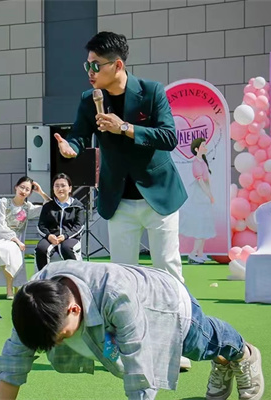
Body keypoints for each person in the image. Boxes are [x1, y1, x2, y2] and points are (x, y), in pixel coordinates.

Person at [0, 260, 265, 400]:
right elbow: (14, 363)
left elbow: (139, 369)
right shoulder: (36, 301)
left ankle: (244, 353)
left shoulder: (115, 295)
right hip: (123, 305)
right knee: (205, 348)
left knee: (201, 343)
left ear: (73, 310)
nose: (59, 344)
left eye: (61, 337)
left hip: (166, 303)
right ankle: (223, 362)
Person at [53, 31, 187, 282]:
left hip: (158, 194)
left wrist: (125, 127)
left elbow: (169, 138)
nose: (90, 72)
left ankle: (181, 309)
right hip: (118, 198)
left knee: (166, 267)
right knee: (122, 273)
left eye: (96, 65)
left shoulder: (151, 91)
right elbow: (79, 135)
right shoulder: (89, 99)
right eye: (87, 65)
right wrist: (70, 147)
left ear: (117, 65)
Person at [0, 176, 50, 299]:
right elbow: (0, 226)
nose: (23, 191)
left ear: (30, 193)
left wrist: (41, 192)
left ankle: (9, 288)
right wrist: (16, 240)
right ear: (16, 187)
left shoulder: (28, 208)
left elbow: (49, 206)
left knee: (9, 250)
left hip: (14, 242)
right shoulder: (4, 202)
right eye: (22, 187)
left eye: (27, 189)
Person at [35, 173, 85, 271]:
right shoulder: (48, 206)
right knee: (41, 248)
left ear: (70, 188)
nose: (60, 189)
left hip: (70, 238)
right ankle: (44, 278)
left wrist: (65, 236)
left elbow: (79, 226)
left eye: (63, 185)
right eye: (57, 186)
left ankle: (75, 275)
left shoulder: (78, 206)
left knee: (66, 248)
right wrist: (49, 236)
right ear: (53, 189)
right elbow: (41, 225)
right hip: (51, 238)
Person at [179, 138, 216, 264]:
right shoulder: (196, 163)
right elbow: (200, 181)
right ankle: (193, 253)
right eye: (203, 145)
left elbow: (207, 180)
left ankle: (200, 252)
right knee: (201, 225)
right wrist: (209, 195)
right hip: (200, 195)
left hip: (203, 195)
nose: (205, 147)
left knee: (205, 224)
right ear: (196, 149)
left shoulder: (202, 161)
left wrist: (210, 194)